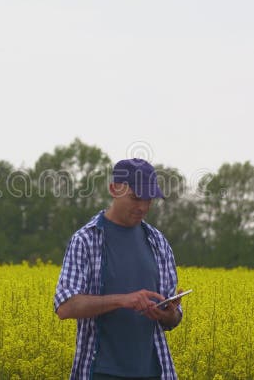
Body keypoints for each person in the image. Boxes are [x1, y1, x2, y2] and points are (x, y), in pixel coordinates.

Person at [54, 158, 183, 380]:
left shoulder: (158, 242)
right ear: (114, 189)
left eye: (148, 199)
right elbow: (65, 307)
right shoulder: (86, 240)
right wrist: (122, 300)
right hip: (101, 372)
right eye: (135, 197)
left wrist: (168, 314)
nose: (143, 206)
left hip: (155, 372)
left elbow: (173, 320)